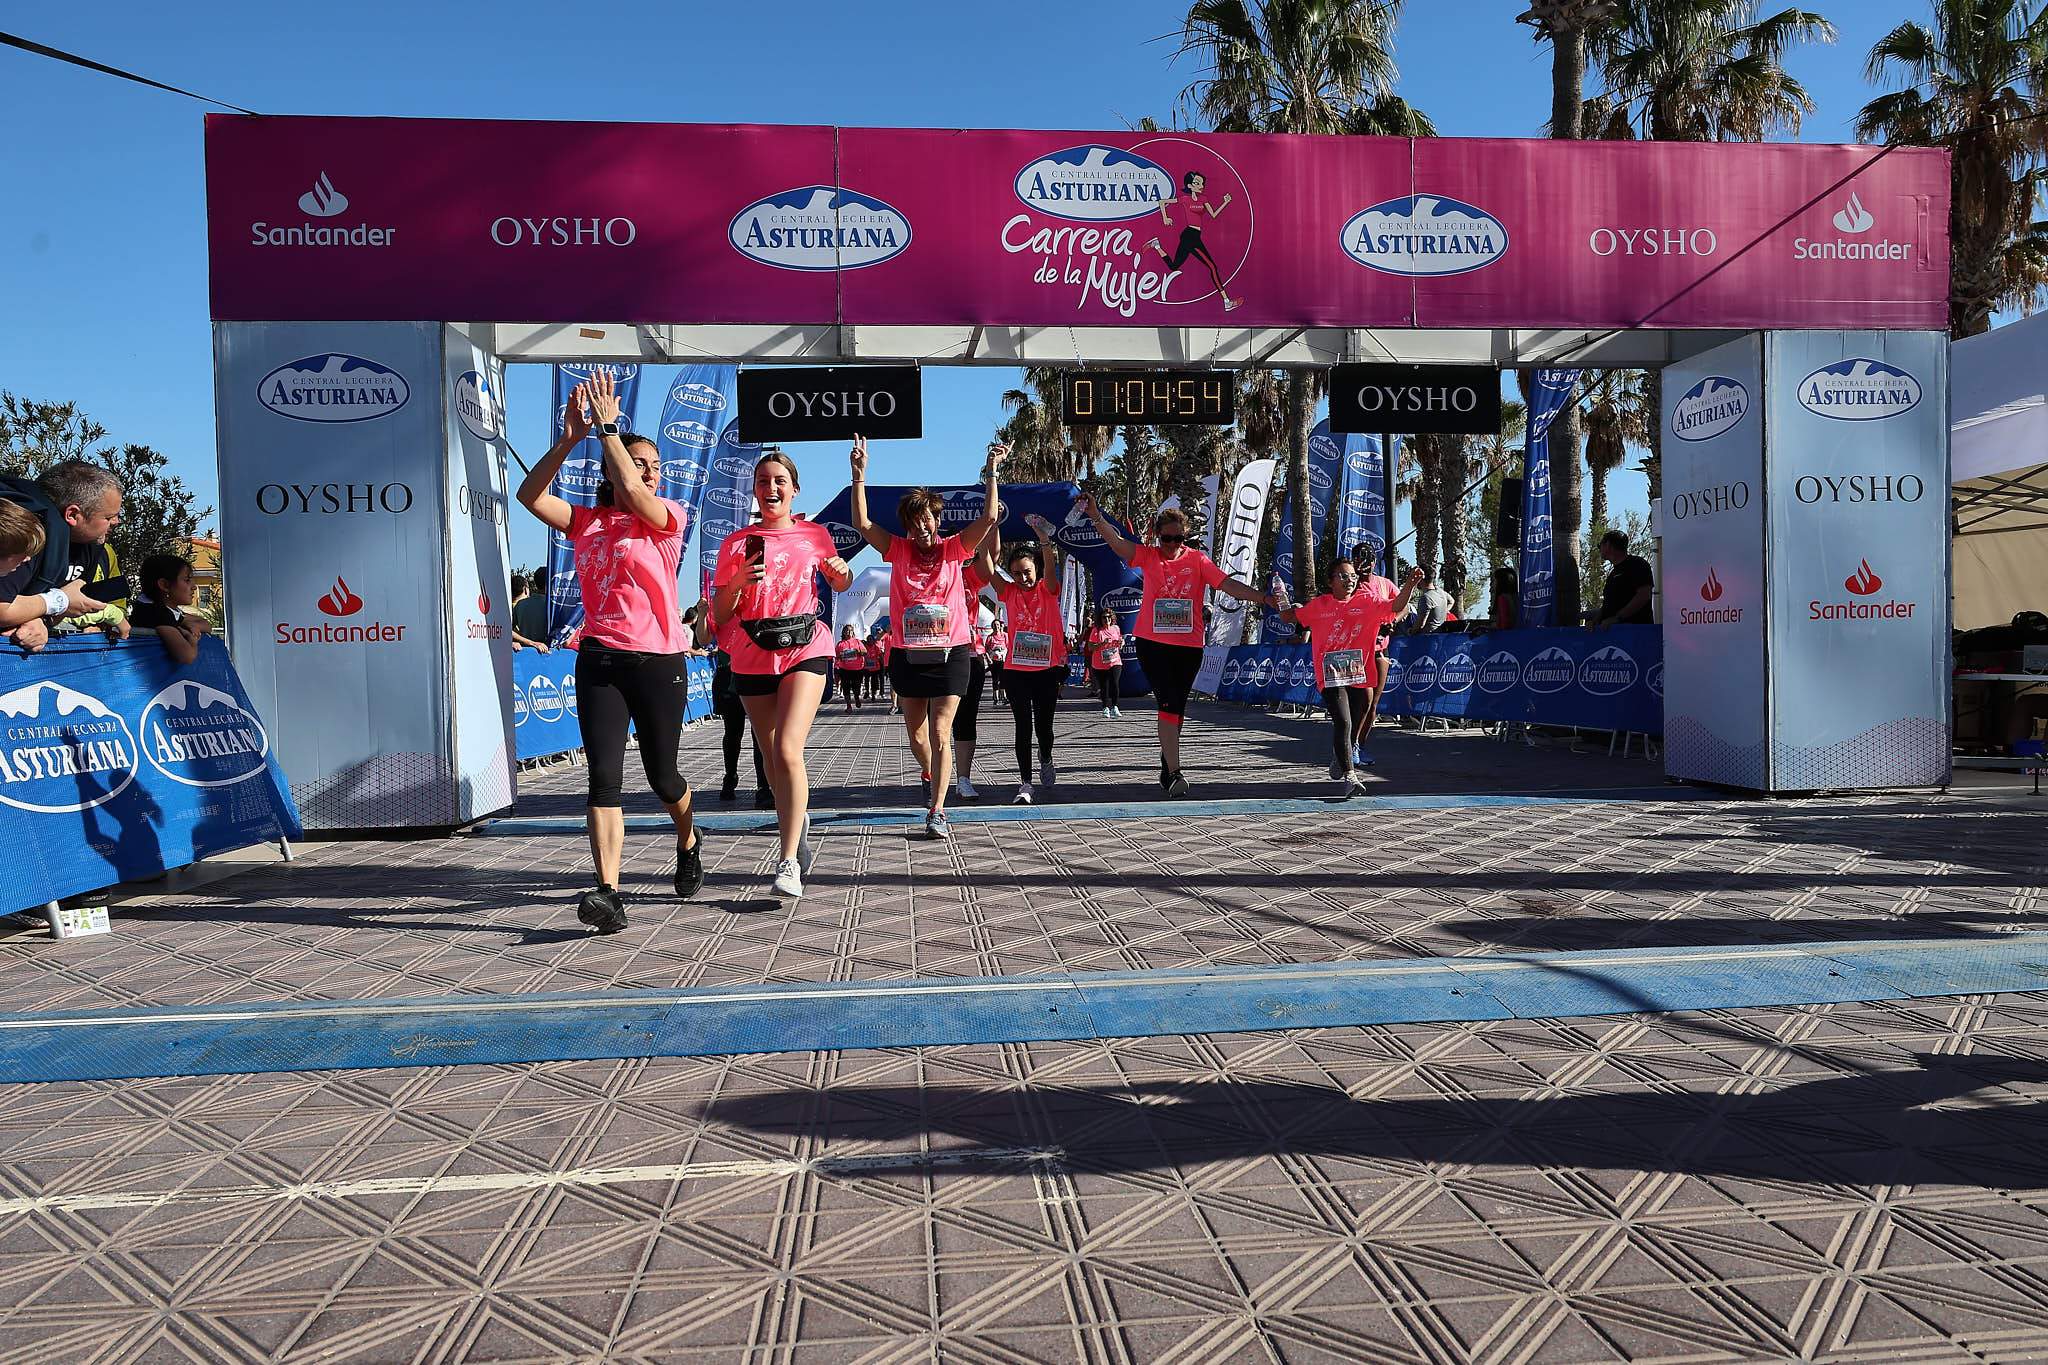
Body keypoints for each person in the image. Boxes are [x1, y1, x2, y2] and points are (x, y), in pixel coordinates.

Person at [516, 371, 703, 935]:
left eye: (653, 464)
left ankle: (689, 838)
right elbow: (530, 497)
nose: (646, 470)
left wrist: (610, 431)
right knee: (603, 777)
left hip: (659, 660)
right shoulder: (587, 522)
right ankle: (608, 892)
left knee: (664, 776)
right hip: (599, 658)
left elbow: (638, 490)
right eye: (636, 461)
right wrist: (573, 437)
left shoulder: (667, 520)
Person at [712, 449, 854, 900]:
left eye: (779, 481)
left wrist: (842, 571)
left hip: (805, 646)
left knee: (789, 747)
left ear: (794, 489)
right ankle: (799, 821)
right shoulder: (735, 543)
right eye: (762, 481)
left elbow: (841, 582)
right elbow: (719, 612)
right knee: (771, 755)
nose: (770, 488)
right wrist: (738, 583)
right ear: (754, 490)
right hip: (752, 651)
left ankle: (788, 859)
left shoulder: (815, 535)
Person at [849, 437, 1007, 836]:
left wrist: (991, 471)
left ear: (937, 520)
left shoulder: (955, 549)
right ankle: (927, 771)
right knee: (916, 732)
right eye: (915, 521)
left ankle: (937, 810)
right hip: (907, 653)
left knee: (941, 731)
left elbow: (988, 519)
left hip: (951, 651)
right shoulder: (898, 549)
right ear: (907, 525)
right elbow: (863, 525)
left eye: (928, 519)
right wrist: (858, 477)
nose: (922, 526)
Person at [1079, 495, 1271, 796]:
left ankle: (1166, 764)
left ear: (1186, 536)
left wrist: (1262, 597)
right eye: (1167, 538)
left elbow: (1227, 584)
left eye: (1178, 538)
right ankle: (1176, 771)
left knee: (1176, 708)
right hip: (1153, 644)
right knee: (1167, 702)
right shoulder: (1148, 556)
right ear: (1157, 535)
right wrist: (1096, 516)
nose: (1172, 545)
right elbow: (1116, 543)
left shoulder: (1197, 560)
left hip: (1189, 646)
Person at [1280, 558, 1423, 794]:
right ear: (1331, 581)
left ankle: (1341, 753)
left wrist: (1409, 585)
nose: (1350, 581)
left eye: (1353, 577)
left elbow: (1396, 606)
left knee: (1362, 711)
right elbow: (1289, 618)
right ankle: (1350, 777)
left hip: (1358, 670)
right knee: (1343, 721)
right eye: (1343, 576)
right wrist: (1280, 598)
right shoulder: (1320, 605)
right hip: (1330, 673)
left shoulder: (1367, 601)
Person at [995, 518, 1067, 804]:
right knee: (1022, 725)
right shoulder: (1008, 592)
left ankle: (1046, 757)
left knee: (1044, 727)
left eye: (1026, 572)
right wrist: (991, 528)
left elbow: (1050, 567)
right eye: (1015, 574)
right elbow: (988, 568)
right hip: (1016, 671)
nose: (1021, 578)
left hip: (1048, 670)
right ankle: (1025, 783)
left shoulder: (1048, 589)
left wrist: (1043, 538)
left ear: (1035, 569)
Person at [41, 461, 128, 639]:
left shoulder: (94, 546)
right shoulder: (29, 541)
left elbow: (73, 605)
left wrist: (108, 614)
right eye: (109, 516)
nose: (116, 522)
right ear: (72, 515)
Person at [1146, 170, 1240, 312]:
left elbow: (1213, 215)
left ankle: (1157, 245)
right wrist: (1165, 217)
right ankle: (1226, 302)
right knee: (1212, 267)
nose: (1200, 185)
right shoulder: (1185, 199)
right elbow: (1162, 201)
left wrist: (1225, 203)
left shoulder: (1204, 199)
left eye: (1202, 183)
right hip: (1190, 236)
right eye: (1197, 183)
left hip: (1194, 236)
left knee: (1173, 266)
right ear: (1189, 186)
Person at [955, 549, 997, 801]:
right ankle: (931, 778)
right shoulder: (925, 574)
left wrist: (992, 521)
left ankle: (963, 779)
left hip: (970, 654)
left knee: (965, 719)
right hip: (934, 654)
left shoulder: (967, 576)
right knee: (934, 725)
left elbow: (992, 559)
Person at [130, 553, 213, 666]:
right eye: (187, 580)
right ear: (164, 585)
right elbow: (187, 656)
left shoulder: (165, 609)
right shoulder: (156, 613)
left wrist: (191, 625)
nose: (194, 587)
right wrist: (191, 638)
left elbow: (206, 625)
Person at [1594, 529, 1655, 627]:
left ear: (1608, 545)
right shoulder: (1612, 574)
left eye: (1600, 545)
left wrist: (1617, 618)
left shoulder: (1637, 564)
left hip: (1635, 632)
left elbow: (1644, 595)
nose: (1599, 549)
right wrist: (1596, 621)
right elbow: (1608, 604)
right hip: (1612, 634)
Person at [1085, 607, 1125, 717]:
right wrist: (1101, 644)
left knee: (1115, 683)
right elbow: (1090, 647)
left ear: (1112, 618)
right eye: (1104, 617)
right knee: (1104, 686)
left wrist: (1121, 643)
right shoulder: (1096, 631)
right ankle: (1105, 707)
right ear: (1100, 619)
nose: (1106, 619)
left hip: (1115, 660)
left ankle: (1115, 707)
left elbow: (1120, 641)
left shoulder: (1116, 628)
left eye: (1108, 617)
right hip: (1100, 663)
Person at [512, 566, 552, 650]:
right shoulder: (553, 606)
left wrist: (528, 642)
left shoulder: (520, 605)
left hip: (525, 653)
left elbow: (507, 630)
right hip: (549, 653)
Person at [834, 624, 867, 711]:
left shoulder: (857, 642)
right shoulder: (840, 644)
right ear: (843, 632)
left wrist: (858, 651)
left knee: (856, 687)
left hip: (857, 669)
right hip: (845, 669)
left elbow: (865, 652)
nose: (848, 632)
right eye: (846, 630)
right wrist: (841, 656)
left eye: (850, 630)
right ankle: (849, 706)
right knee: (846, 688)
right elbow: (836, 656)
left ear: (853, 632)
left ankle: (856, 698)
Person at [1490, 566, 1519, 631]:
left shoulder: (1503, 598)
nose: (1494, 583)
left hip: (1506, 637)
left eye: (1495, 580)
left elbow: (1504, 623)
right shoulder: (1519, 597)